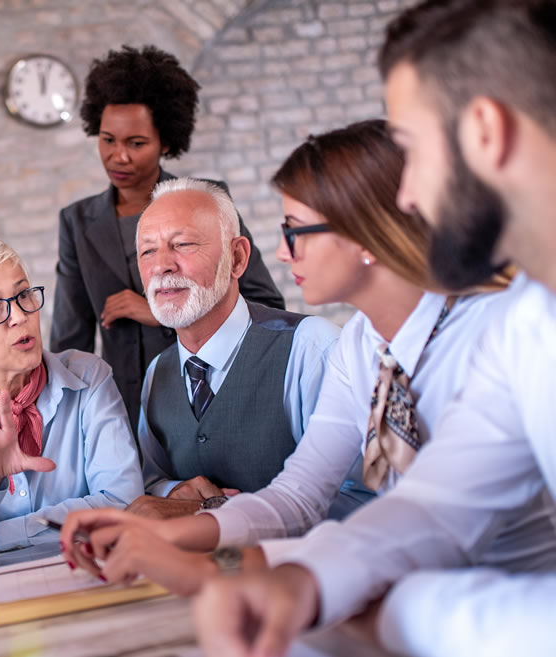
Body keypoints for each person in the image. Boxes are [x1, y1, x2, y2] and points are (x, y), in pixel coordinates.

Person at [190, 2, 556, 656]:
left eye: (412, 151)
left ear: (485, 132)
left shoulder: (495, 323)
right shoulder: (529, 320)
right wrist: (305, 582)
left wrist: (394, 609)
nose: (407, 196)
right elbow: (439, 501)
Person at [60, 121, 556, 601]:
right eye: (147, 252)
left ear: (364, 233)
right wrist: (177, 544)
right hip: (413, 590)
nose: (279, 251)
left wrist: (220, 564)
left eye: (295, 229)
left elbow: (414, 519)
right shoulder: (363, 345)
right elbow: (302, 496)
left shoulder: (502, 329)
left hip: (505, 599)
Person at [51, 45, 284, 433]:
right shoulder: (77, 222)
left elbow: (267, 305)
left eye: (136, 143)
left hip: (215, 395)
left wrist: (154, 310)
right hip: (124, 414)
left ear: (167, 143)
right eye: (108, 140)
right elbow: (69, 343)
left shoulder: (207, 202)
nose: (118, 156)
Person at [0, 237, 144, 565]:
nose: (18, 315)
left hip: (92, 571)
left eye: (23, 294)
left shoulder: (90, 377)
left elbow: (125, 503)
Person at [120, 176, 344, 521]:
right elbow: (154, 481)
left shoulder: (311, 348)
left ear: (237, 258)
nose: (161, 265)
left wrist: (224, 513)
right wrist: (171, 493)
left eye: (182, 244)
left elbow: (361, 495)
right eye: (148, 251)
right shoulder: (157, 376)